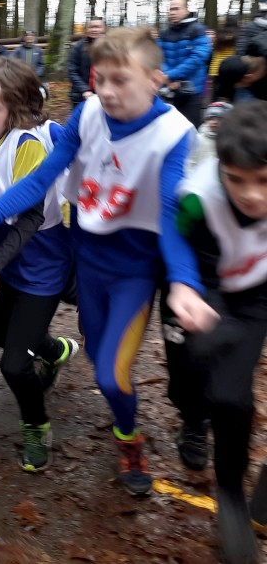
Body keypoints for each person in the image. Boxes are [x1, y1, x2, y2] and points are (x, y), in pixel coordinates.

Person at [0, 26, 219, 498]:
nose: (108, 91)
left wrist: (182, 281)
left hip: (134, 272)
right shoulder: (89, 112)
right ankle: (72, 365)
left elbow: (169, 212)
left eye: (121, 80)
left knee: (110, 377)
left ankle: (128, 439)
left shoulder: (175, 134)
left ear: (156, 79)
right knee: (98, 355)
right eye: (101, 79)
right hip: (88, 262)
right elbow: (41, 180)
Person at [0, 56, 77, 469]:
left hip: (41, 260)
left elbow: (29, 217)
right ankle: (56, 350)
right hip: (3, 259)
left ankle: (36, 425)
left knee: (13, 364)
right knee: (2, 337)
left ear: (15, 108)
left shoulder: (27, 146)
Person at [171, 101, 267, 564]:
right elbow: (174, 239)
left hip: (257, 294)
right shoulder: (198, 196)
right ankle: (193, 420)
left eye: (263, 180)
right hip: (209, 288)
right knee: (194, 375)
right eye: (237, 180)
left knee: (231, 395)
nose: (251, 195)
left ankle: (231, 495)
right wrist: (184, 286)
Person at [158, 0, 211, 128]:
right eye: (171, 9)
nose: (172, 12)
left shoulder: (198, 30)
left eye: (176, 9)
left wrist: (171, 76)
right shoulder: (164, 33)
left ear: (186, 10)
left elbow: (198, 58)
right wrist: (168, 79)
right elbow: (157, 56)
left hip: (191, 91)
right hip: (168, 89)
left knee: (190, 127)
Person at [67, 18, 106, 105]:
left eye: (97, 27)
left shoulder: (111, 46)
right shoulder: (78, 47)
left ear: (103, 29)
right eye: (91, 27)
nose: (94, 30)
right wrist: (84, 90)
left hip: (104, 93)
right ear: (87, 29)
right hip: (81, 94)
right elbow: (72, 71)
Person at [187, 101, 231, 172]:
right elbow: (190, 162)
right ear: (206, 120)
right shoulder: (198, 139)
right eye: (211, 118)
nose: (215, 122)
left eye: (219, 119)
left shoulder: (228, 141)